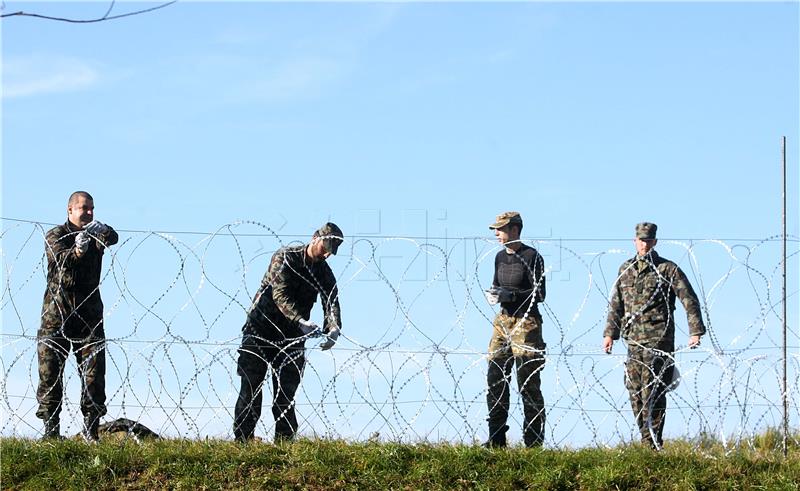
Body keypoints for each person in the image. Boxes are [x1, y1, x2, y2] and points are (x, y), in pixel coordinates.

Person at [234, 222, 344, 442]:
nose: (326, 254)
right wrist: (300, 320)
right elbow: (279, 294)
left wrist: (333, 327)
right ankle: (243, 442)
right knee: (251, 387)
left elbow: (331, 299)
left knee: (286, 394)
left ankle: (284, 445)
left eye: (330, 252)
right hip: (260, 330)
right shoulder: (285, 257)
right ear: (315, 238)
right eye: (324, 247)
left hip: (292, 338)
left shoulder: (323, 271)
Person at [603, 222, 705, 449]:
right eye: (641, 240)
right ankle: (646, 438)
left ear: (655, 242)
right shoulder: (626, 269)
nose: (644, 244)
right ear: (634, 241)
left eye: (648, 240)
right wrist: (610, 334)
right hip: (633, 341)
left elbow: (689, 299)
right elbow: (616, 304)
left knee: (653, 390)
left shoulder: (667, 269)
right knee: (635, 390)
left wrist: (695, 332)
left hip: (658, 339)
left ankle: (653, 442)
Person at [37, 191, 118, 440]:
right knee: (50, 376)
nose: (89, 213)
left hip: (89, 318)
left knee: (94, 377)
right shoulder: (56, 235)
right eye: (84, 208)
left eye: (92, 208)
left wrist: (102, 230)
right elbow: (61, 260)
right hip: (57, 317)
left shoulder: (96, 234)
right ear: (70, 210)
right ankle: (51, 432)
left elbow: (113, 236)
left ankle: (91, 431)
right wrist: (79, 251)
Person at [483, 211, 547, 448]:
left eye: (501, 229)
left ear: (515, 229)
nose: (497, 234)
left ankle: (533, 442)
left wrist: (511, 295)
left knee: (527, 381)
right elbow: (497, 284)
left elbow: (540, 294)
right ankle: (496, 438)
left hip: (526, 322)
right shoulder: (500, 258)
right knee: (495, 377)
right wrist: (495, 293)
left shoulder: (532, 257)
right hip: (503, 321)